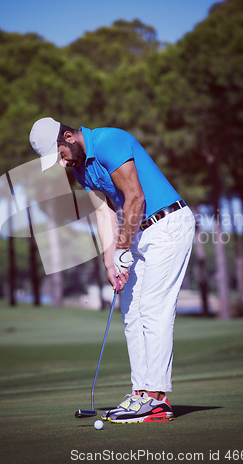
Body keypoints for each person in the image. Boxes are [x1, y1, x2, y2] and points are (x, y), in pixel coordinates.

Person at [30, 117, 195, 424]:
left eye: (61, 155)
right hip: (140, 232)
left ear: (68, 137)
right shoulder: (80, 169)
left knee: (153, 308)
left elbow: (135, 197)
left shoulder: (109, 141)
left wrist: (122, 248)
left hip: (168, 224)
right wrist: (110, 261)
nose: (63, 164)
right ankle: (140, 393)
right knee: (131, 310)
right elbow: (105, 214)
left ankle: (156, 399)